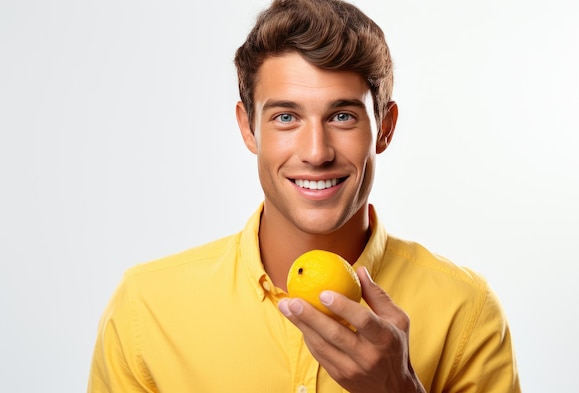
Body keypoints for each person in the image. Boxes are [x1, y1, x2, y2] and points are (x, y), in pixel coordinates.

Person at [88, 0, 521, 392]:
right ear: (248, 127)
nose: (316, 152)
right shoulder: (146, 308)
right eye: (286, 116)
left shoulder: (465, 311)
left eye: (343, 115)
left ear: (384, 129)